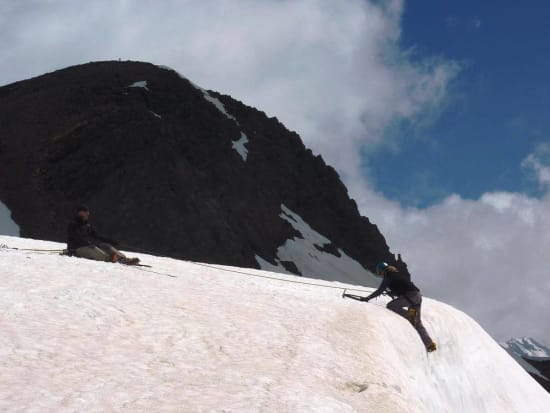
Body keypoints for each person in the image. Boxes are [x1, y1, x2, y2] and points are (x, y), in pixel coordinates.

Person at [362, 261, 437, 352]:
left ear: (382, 271)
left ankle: (410, 316)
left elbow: (380, 290)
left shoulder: (388, 276)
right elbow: (403, 286)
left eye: (380, 273)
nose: (381, 275)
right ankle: (430, 344)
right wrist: (392, 293)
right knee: (418, 323)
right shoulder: (396, 274)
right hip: (417, 296)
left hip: (410, 296)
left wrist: (368, 298)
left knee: (391, 305)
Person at [66, 205, 139, 265]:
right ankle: (112, 259)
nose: (88, 214)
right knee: (94, 249)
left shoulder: (87, 225)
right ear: (80, 213)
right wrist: (88, 243)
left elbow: (97, 236)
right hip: (76, 249)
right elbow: (76, 237)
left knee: (106, 246)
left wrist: (111, 241)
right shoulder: (73, 224)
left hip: (88, 246)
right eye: (86, 212)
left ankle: (124, 259)